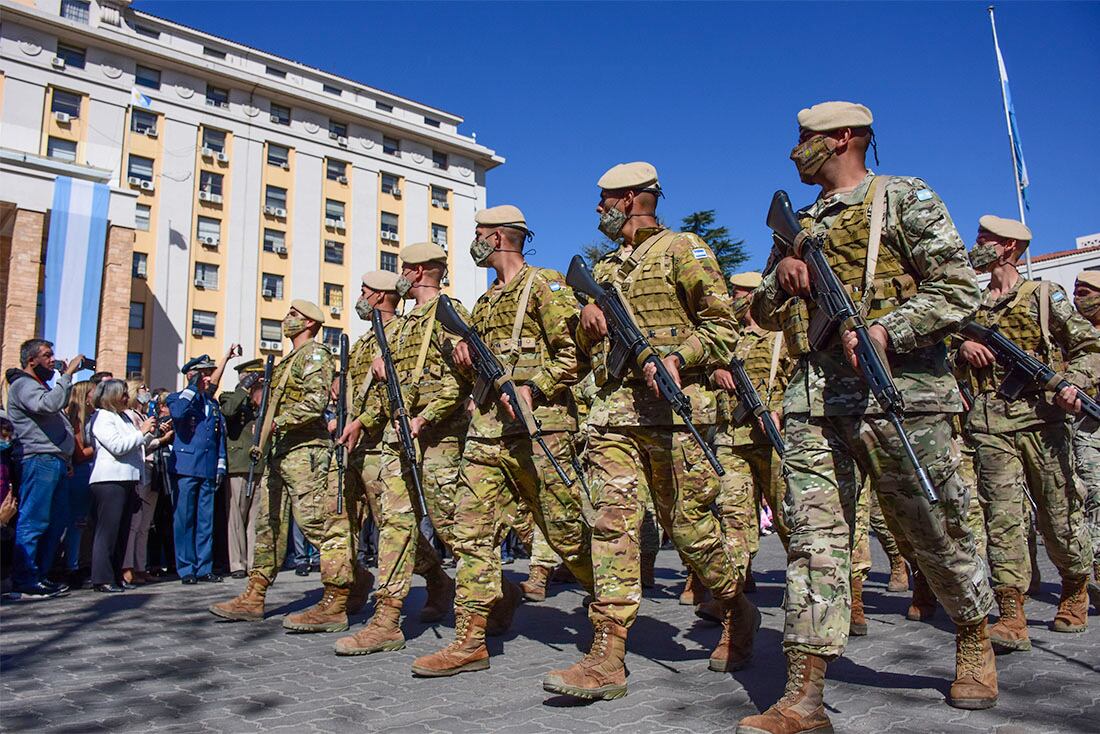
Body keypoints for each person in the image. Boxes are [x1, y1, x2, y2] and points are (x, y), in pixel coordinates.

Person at [738, 101, 999, 732]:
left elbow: (960, 288)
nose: (794, 150)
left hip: (902, 395)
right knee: (814, 542)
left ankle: (972, 631)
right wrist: (783, 278)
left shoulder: (903, 197)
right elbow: (764, 315)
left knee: (935, 526)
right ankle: (805, 691)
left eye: (805, 139)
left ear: (844, 138)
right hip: (814, 400)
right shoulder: (797, 224)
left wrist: (889, 329)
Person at [544, 162, 752, 701]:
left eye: (605, 199)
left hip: (678, 415)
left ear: (634, 197)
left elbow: (724, 327)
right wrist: (588, 321)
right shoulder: (605, 269)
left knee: (690, 531)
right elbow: (584, 351)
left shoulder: (685, 248)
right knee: (611, 525)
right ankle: (608, 654)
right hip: (616, 415)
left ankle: (735, 607)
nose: (597, 209)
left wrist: (679, 357)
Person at [412, 206, 594, 677]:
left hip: (542, 430)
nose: (472, 243)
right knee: (472, 535)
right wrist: (463, 355)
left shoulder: (546, 284)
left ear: (496, 238)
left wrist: (536, 385)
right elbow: (470, 372)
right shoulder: (485, 302)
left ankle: (609, 605)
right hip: (488, 431)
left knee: (567, 532)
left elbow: (576, 354)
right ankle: (469, 640)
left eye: (477, 235)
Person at [958, 215, 1098, 650]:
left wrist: (1073, 383)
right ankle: (1011, 612)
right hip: (989, 424)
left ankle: (1074, 587)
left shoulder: (1043, 295)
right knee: (1001, 518)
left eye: (986, 240)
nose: (977, 245)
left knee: (1059, 513)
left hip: (1042, 419)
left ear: (1009, 248)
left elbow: (1088, 347)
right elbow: (946, 357)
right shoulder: (972, 307)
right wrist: (962, 348)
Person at [333, 246, 470, 656]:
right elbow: (396, 384)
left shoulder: (449, 311)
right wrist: (370, 417)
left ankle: (495, 596)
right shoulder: (406, 324)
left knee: (453, 529)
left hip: (440, 440)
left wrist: (424, 418)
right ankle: (387, 618)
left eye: (406, 270)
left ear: (422, 271)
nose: (401, 278)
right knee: (394, 524)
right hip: (400, 439)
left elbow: (459, 379)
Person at [210, 300, 354, 633]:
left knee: (320, 525)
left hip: (306, 451)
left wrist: (278, 422)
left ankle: (337, 598)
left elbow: (316, 402)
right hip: (278, 453)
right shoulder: (289, 359)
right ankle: (254, 595)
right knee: (268, 525)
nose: (286, 319)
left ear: (308, 323)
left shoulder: (316, 355)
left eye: (293, 315)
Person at [5, 339, 84, 598]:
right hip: (39, 461)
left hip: (56, 462)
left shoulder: (41, 386)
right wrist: (68, 374)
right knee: (34, 520)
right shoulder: (23, 385)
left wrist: (67, 459)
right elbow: (48, 405)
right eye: (47, 356)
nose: (53, 360)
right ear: (31, 360)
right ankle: (25, 579)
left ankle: (40, 574)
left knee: (55, 521)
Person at [86, 379, 155, 592]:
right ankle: (102, 578)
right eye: (122, 394)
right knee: (108, 531)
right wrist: (141, 432)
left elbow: (136, 444)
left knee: (122, 532)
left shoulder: (122, 417)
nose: (127, 398)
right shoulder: (104, 417)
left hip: (128, 479)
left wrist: (150, 432)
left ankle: (116, 576)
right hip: (109, 481)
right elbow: (117, 446)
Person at [167, 355, 227, 584]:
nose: (209, 377)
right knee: (184, 520)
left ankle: (204, 567)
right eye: (205, 373)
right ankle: (186, 568)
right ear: (193, 376)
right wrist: (192, 387)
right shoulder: (179, 398)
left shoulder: (211, 404)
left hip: (208, 468)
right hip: (186, 468)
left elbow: (217, 437)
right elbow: (179, 414)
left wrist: (220, 464)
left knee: (205, 521)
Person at [219, 359, 265, 579]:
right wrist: (244, 387)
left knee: (255, 518)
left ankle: (253, 563)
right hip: (238, 465)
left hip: (258, 465)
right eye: (256, 377)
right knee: (236, 517)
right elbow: (229, 411)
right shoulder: (230, 396)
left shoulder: (262, 403)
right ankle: (237, 563)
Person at [122, 381, 169, 586]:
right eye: (142, 389)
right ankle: (127, 566)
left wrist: (160, 434)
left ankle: (141, 566)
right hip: (140, 470)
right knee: (134, 523)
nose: (147, 392)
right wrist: (157, 437)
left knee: (145, 525)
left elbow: (148, 441)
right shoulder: (129, 415)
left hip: (152, 469)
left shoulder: (144, 416)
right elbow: (138, 442)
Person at [1072, 270, 1100, 609]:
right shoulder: (1071, 336)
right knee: (1094, 495)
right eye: (1077, 291)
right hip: (1085, 427)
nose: (1081, 297)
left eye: (1088, 291)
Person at [60, 380, 95, 586]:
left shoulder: (92, 418)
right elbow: (80, 454)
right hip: (80, 473)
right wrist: (102, 446)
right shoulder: (76, 420)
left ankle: (83, 562)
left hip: (90, 472)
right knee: (77, 522)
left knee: (86, 524)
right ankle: (71, 566)